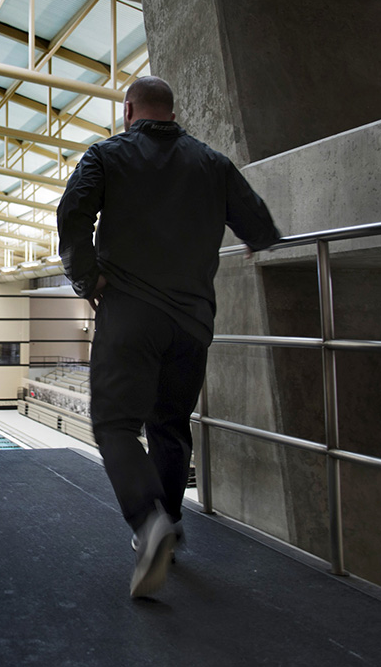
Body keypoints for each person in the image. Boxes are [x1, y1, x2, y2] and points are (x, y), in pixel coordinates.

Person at [57, 75, 280, 599]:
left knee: (114, 423)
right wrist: (256, 242)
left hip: (131, 316)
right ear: (173, 112)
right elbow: (261, 227)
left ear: (129, 109)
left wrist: (88, 278)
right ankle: (171, 524)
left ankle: (148, 522)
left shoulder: (106, 156)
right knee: (171, 425)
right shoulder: (213, 163)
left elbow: (72, 214)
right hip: (193, 324)